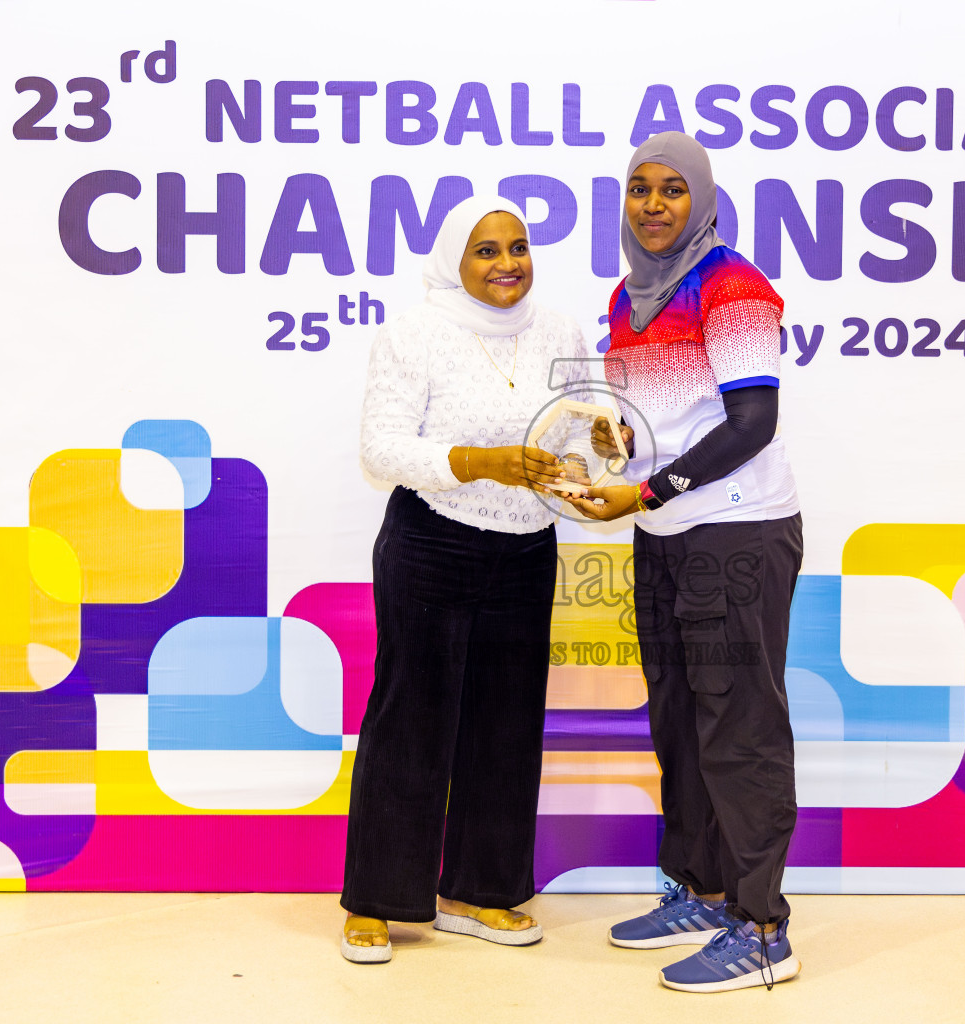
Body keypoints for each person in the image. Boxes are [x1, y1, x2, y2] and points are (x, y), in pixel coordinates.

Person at [564, 132, 804, 993]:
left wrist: (649, 488)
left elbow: (750, 424)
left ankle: (763, 927)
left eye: (672, 190)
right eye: (639, 190)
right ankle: (702, 890)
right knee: (680, 722)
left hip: (734, 535)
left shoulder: (731, 286)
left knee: (738, 728)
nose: (654, 205)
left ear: (701, 199)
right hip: (664, 532)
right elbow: (668, 414)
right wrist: (617, 443)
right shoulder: (629, 294)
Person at [340, 195, 586, 963]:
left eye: (518, 246)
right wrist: (481, 464)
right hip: (432, 544)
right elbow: (381, 450)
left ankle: (481, 891)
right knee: (410, 720)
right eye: (487, 250)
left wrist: (582, 455)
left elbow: (573, 424)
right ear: (455, 259)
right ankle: (379, 900)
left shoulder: (559, 328)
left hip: (527, 545)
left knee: (507, 726)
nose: (508, 263)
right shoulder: (415, 332)